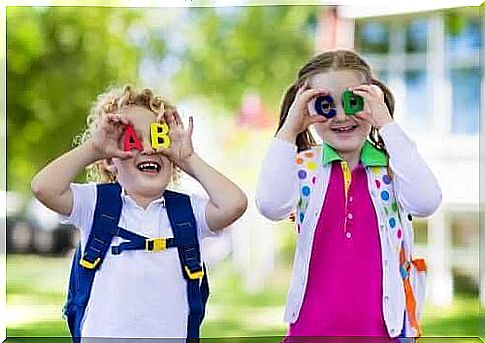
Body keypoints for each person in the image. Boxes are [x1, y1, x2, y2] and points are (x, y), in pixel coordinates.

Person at [31, 84, 248, 341]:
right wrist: (94, 148)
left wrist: (188, 159)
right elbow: (43, 187)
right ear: (110, 161)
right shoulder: (95, 204)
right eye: (132, 139)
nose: (149, 149)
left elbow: (234, 203)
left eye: (158, 138)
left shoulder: (188, 211)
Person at [255, 49, 442, 342]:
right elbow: (270, 205)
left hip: (384, 334)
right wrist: (290, 128)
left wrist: (386, 124)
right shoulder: (304, 168)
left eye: (354, 102)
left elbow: (427, 201)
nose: (342, 116)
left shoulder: (393, 170)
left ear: (372, 101)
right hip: (310, 333)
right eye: (325, 105)